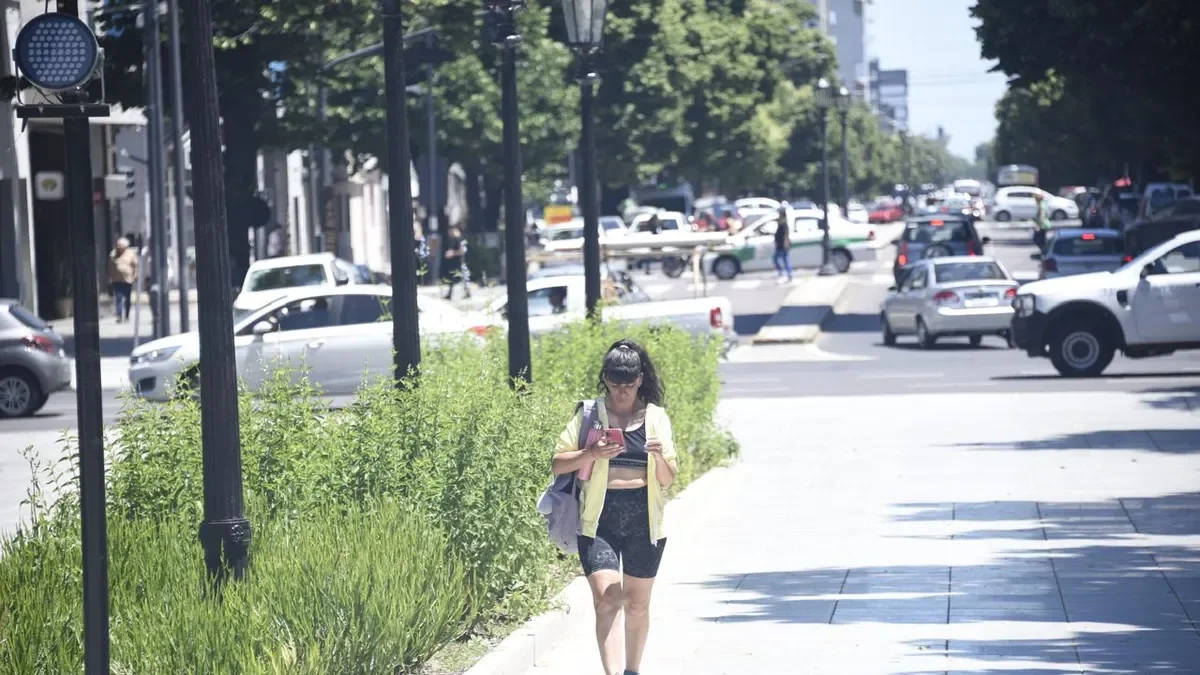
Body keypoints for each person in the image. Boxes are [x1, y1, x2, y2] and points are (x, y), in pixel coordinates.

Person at [551, 340, 677, 675]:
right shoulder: (590, 415)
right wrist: (591, 453)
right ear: (605, 378)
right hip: (599, 521)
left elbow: (668, 479)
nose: (622, 392)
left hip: (643, 520)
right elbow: (557, 463)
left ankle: (632, 670)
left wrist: (658, 455)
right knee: (607, 600)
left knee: (636, 605)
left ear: (640, 380)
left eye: (629, 384)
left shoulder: (656, 418)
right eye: (615, 384)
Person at [108, 236, 137, 323]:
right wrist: (109, 277)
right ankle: (119, 316)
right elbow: (110, 266)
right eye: (118, 245)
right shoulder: (113, 254)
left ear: (125, 246)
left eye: (121, 246)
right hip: (117, 280)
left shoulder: (131, 254)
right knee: (118, 298)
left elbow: (135, 265)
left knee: (127, 299)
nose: (119, 247)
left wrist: (135, 275)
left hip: (128, 279)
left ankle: (127, 315)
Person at [440, 225, 470, 300]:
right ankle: (465, 293)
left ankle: (466, 293)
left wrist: (453, 253)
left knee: (459, 278)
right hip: (455, 262)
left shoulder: (459, 239)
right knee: (456, 278)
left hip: (458, 262)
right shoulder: (454, 239)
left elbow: (462, 251)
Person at [773, 207, 793, 283]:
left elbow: (786, 234)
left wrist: (786, 243)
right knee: (784, 260)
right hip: (780, 244)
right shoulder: (780, 222)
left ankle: (785, 273)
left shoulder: (784, 223)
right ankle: (788, 274)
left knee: (782, 259)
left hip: (782, 245)